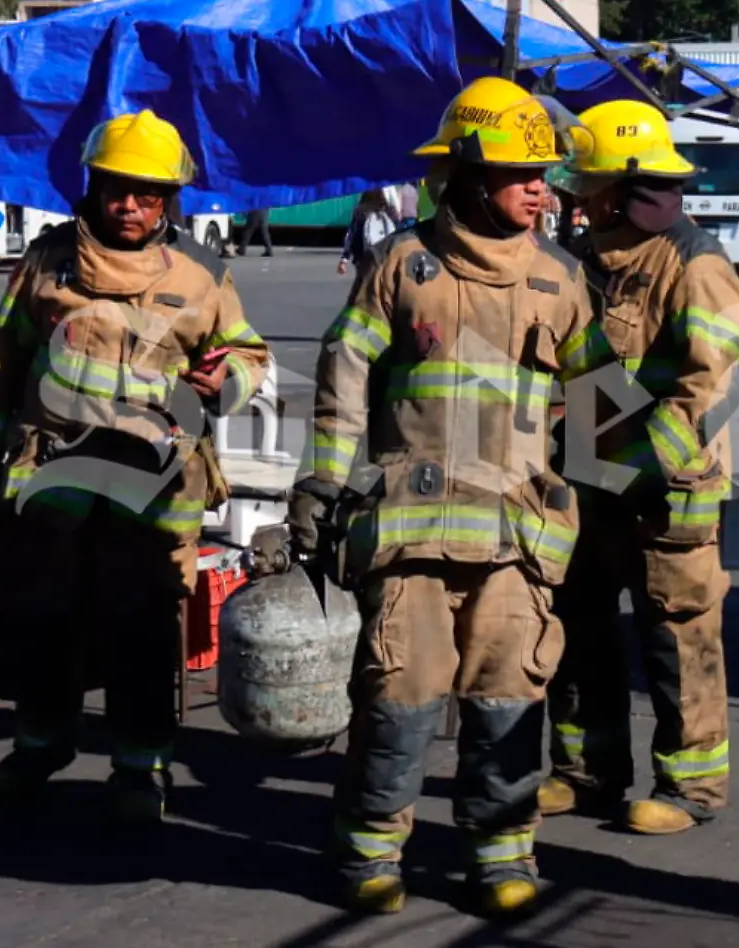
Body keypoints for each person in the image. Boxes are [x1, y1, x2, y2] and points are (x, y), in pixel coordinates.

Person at [289, 77, 606, 917]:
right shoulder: (403, 264)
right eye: (519, 171)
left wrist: (643, 481)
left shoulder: (559, 280)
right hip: (412, 539)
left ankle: (503, 857)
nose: (540, 188)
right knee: (399, 699)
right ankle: (368, 853)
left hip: (517, 543)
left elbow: (606, 396)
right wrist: (324, 479)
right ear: (466, 173)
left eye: (544, 173)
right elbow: (343, 373)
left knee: (510, 700)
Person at [0, 109, 270, 823]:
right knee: (44, 621)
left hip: (152, 488)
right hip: (53, 479)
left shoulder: (202, 276)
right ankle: (40, 744)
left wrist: (225, 382)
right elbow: (2, 354)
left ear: (169, 201)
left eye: (147, 193)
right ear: (93, 189)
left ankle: (140, 769)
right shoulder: (46, 262)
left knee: (141, 629)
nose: (129, 206)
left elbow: (249, 354)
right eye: (116, 190)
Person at [536, 99, 739, 837]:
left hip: (668, 492)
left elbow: (711, 385)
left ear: (625, 188)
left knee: (677, 633)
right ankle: (586, 772)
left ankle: (690, 785)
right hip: (590, 482)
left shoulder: (694, 263)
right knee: (579, 626)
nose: (573, 197)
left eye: (588, 184)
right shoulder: (587, 262)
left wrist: (643, 460)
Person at [340, 189, 395, 275]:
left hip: (362, 256)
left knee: (363, 283)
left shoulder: (360, 212)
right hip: (383, 256)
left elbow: (351, 235)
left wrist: (344, 259)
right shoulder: (388, 212)